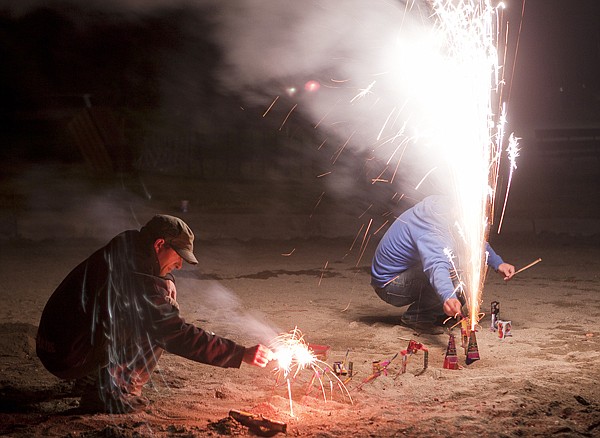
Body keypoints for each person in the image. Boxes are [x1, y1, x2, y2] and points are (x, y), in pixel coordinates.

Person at [36, 215, 272, 413]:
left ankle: (99, 376)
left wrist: (165, 280)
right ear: (160, 244)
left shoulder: (129, 245)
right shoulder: (138, 280)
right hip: (68, 355)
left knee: (156, 308)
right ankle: (116, 393)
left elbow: (149, 277)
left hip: (58, 345)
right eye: (178, 256)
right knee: (157, 323)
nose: (180, 265)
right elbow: (175, 334)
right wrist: (240, 354)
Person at [370, 195, 515, 333]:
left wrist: (498, 263)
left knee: (459, 270)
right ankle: (416, 318)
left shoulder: (447, 209)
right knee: (456, 275)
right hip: (390, 285)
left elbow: (470, 240)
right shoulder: (432, 229)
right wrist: (448, 296)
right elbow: (436, 266)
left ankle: (435, 312)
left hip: (402, 274)